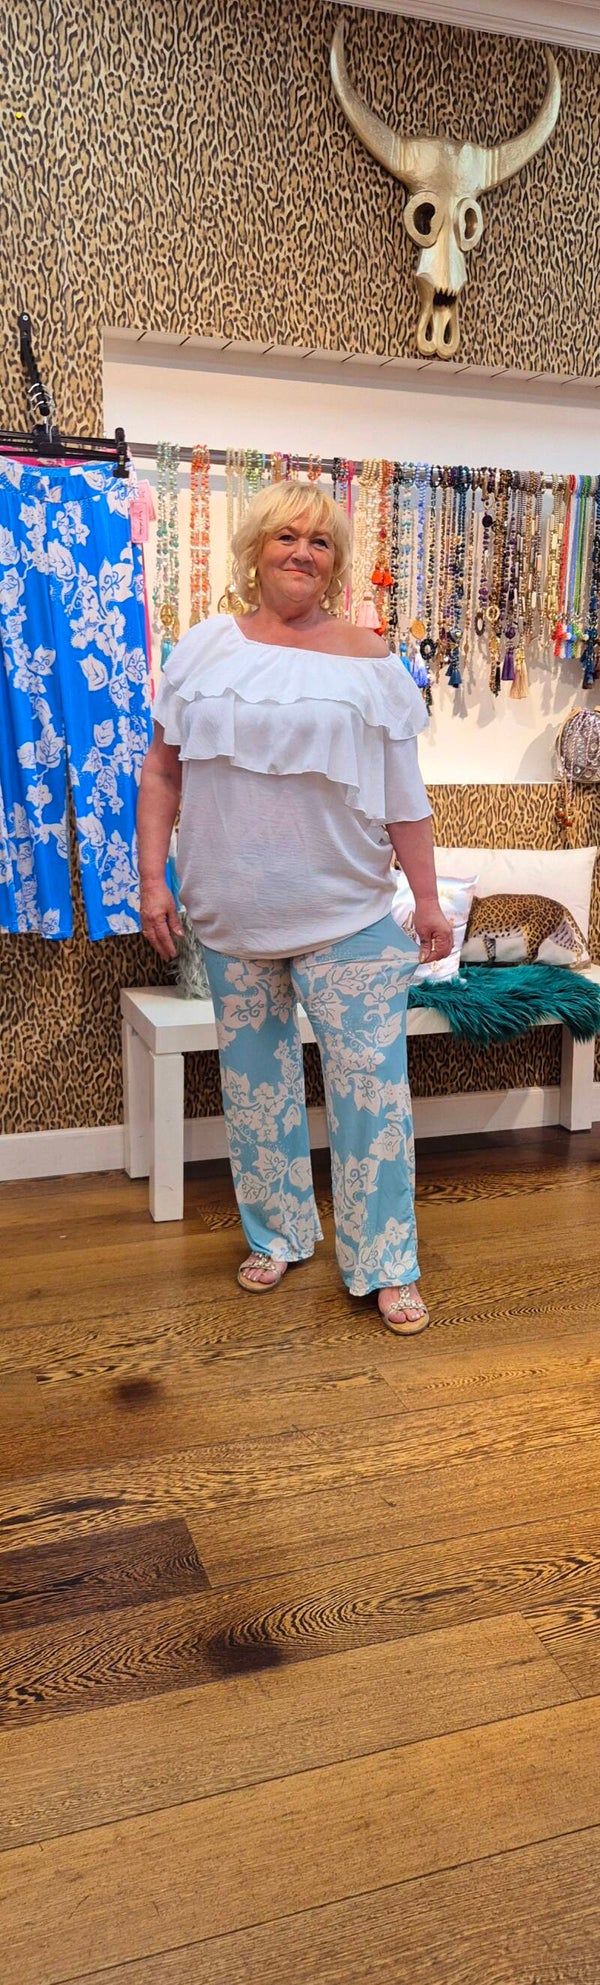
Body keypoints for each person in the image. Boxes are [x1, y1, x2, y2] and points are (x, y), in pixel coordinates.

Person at [137, 481, 452, 1335]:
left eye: (319, 541)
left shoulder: (370, 659)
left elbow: (405, 796)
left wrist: (427, 900)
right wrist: (153, 877)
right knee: (255, 1091)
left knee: (372, 1095)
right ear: (256, 548)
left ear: (335, 562)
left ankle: (387, 1263)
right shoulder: (202, 649)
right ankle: (276, 1233)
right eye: (286, 536)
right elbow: (162, 771)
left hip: (347, 915)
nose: (302, 552)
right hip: (230, 916)